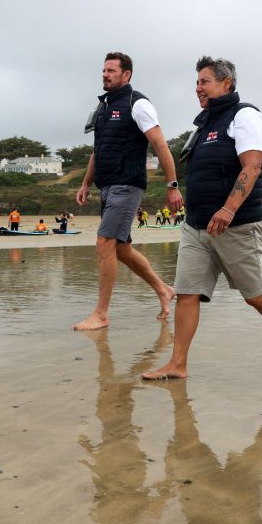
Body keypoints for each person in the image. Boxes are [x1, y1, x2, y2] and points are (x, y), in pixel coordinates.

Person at [143, 56, 262, 379]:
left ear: (226, 83)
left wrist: (228, 209)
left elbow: (251, 167)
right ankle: (178, 364)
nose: (197, 88)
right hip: (196, 225)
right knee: (187, 293)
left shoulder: (245, 116)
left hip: (237, 225)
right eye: (197, 82)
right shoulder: (204, 124)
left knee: (254, 296)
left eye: (205, 81)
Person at [75, 51, 183, 330]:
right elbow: (97, 151)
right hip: (108, 186)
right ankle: (164, 289)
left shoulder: (138, 104)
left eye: (111, 71)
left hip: (127, 184)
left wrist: (172, 186)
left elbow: (160, 145)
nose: (105, 75)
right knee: (121, 250)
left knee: (104, 243)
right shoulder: (102, 109)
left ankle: (101, 314)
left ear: (126, 75)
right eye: (103, 71)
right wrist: (86, 182)